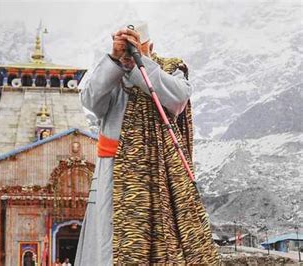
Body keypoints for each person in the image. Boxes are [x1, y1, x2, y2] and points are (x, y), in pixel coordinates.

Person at [74, 22, 220, 265]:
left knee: (167, 235)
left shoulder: (170, 68)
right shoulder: (113, 73)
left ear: (149, 46)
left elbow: (178, 99)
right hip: (117, 172)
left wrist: (139, 65)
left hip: (161, 171)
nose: (131, 50)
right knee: (112, 236)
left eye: (136, 46)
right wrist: (115, 60)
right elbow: (91, 101)